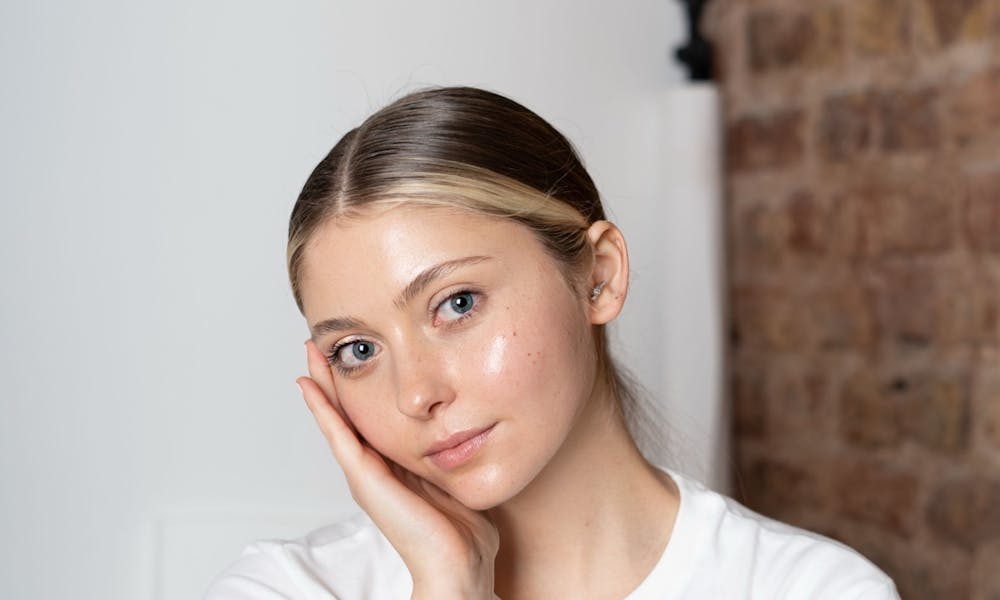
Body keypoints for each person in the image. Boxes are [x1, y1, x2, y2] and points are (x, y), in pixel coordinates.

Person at [205, 86, 899, 599]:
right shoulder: (287, 588)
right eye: (358, 351)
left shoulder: (809, 589)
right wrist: (447, 587)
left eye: (457, 303)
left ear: (598, 277)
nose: (417, 393)